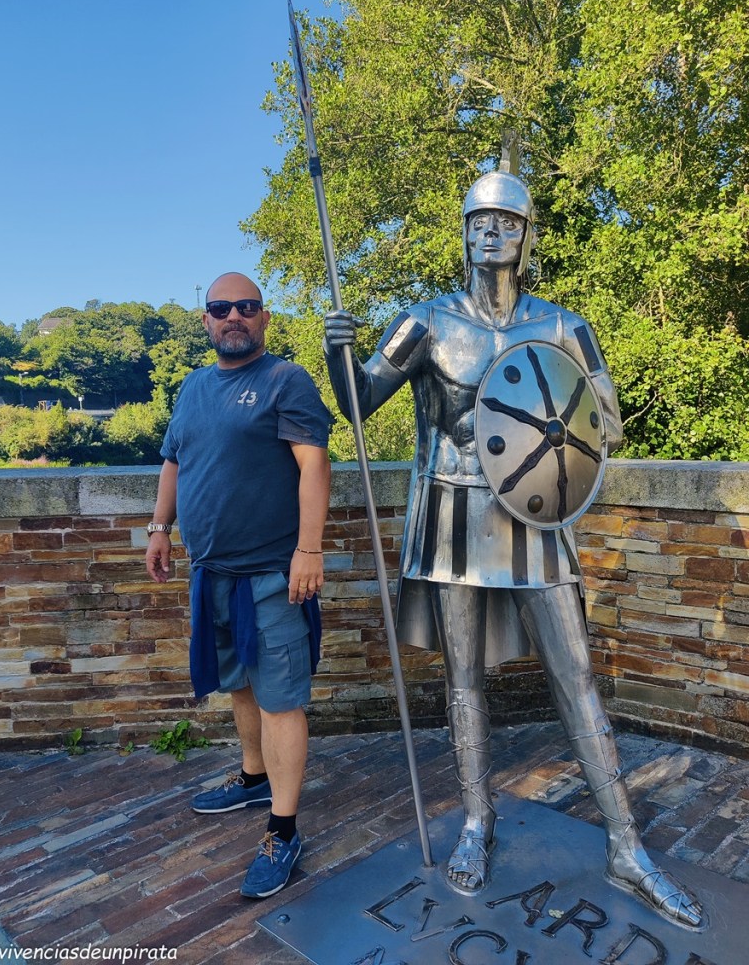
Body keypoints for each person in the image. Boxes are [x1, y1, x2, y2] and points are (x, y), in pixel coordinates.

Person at [323, 169, 703, 927]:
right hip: (454, 516)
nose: (490, 232)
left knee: (576, 676)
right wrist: (338, 353)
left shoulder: (563, 327)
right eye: (479, 220)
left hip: (536, 518)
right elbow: (359, 403)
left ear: (527, 237)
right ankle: (477, 820)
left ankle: (627, 845)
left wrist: (541, 416)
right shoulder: (424, 323)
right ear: (464, 232)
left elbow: (606, 421)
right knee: (463, 679)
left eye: (506, 222)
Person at [146, 271, 332, 899]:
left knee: (280, 698)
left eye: (246, 307)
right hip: (212, 572)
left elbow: (314, 465)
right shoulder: (194, 387)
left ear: (264, 318)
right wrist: (159, 528)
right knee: (241, 684)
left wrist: (309, 549)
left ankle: (284, 828)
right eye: (221, 308)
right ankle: (254, 778)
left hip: (272, 574)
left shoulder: (285, 380)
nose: (234, 316)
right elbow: (175, 461)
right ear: (206, 320)